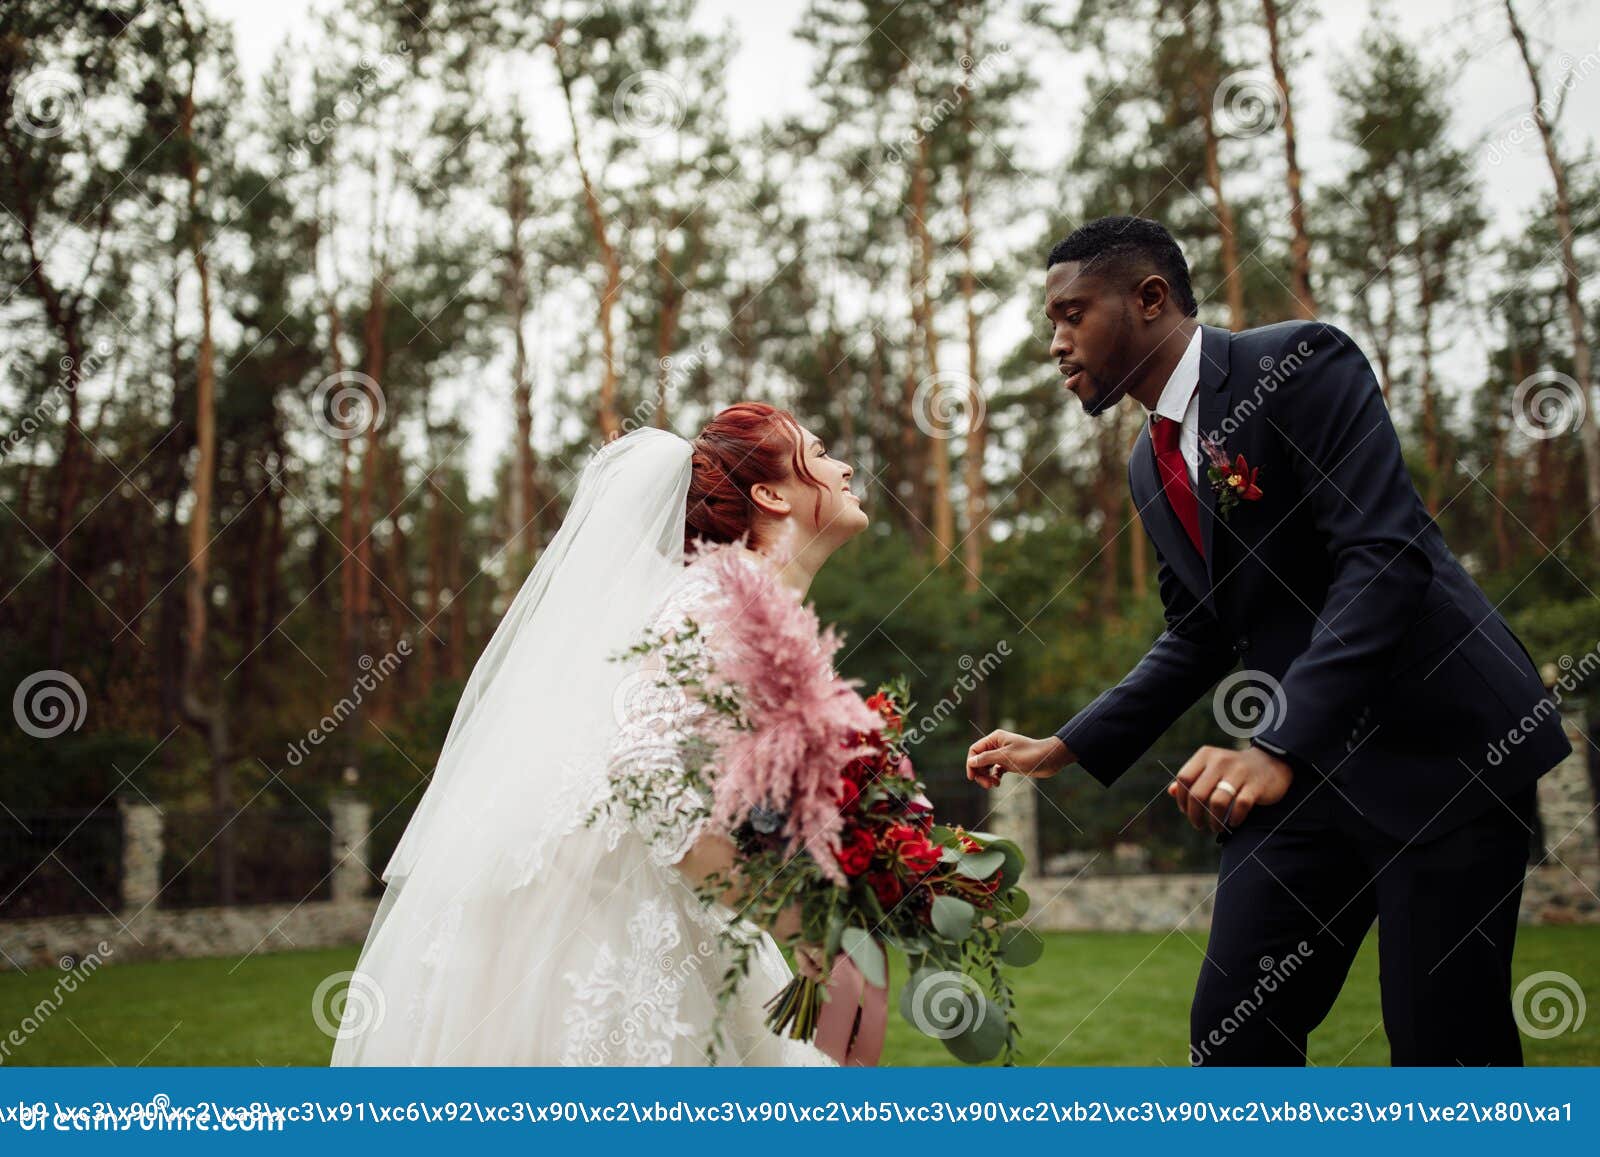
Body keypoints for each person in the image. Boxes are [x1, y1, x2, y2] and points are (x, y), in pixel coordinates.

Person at [966, 216, 1569, 1066]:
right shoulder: (1150, 463)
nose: (1057, 344)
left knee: (1443, 1047)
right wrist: (1064, 745)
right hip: (1303, 779)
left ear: (1149, 298)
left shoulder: (1299, 365)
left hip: (1442, 753)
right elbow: (1199, 633)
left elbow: (1383, 556)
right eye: (1050, 324)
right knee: (1233, 1034)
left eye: (1072, 315)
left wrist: (1276, 741)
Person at [331, 401, 869, 1065]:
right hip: (596, 929)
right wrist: (785, 908)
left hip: (683, 912)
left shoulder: (755, 607)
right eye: (819, 454)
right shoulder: (717, 601)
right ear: (769, 494)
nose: (843, 467)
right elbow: (646, 771)